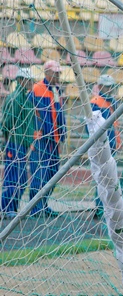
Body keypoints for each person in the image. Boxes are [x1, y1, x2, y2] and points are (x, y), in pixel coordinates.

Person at [29, 60, 66, 217]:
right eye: (55, 73)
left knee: (53, 173)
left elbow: (60, 113)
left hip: (54, 140)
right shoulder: (36, 88)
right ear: (47, 73)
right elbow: (30, 114)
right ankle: (35, 208)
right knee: (40, 173)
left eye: (59, 73)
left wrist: (62, 134)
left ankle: (43, 204)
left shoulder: (57, 90)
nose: (58, 76)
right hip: (41, 139)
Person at [1, 68, 37, 218]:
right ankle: (5, 207)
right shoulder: (15, 98)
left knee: (21, 178)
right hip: (15, 143)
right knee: (13, 177)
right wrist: (10, 139)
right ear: (21, 80)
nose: (31, 83)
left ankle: (13, 207)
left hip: (23, 144)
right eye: (29, 80)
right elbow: (6, 122)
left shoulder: (26, 99)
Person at [90, 74, 121, 218]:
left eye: (111, 87)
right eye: (107, 87)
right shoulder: (95, 102)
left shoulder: (112, 102)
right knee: (102, 178)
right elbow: (91, 126)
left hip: (111, 145)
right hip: (101, 147)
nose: (110, 90)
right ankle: (100, 208)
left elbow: (114, 125)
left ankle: (107, 208)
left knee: (109, 179)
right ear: (100, 86)